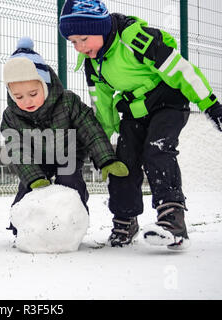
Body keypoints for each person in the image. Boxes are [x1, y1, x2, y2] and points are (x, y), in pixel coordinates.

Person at [59, 0, 222, 249]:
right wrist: (99, 145)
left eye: (83, 39)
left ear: (101, 28)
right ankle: (125, 220)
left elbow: (181, 70)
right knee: (122, 162)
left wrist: (211, 105)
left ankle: (172, 220)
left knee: (157, 151)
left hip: (168, 102)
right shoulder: (93, 64)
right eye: (73, 43)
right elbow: (102, 107)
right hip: (135, 111)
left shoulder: (134, 38)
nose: (79, 48)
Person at [0, 36, 129, 236]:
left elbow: (90, 129)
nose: (26, 101)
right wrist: (34, 179)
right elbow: (18, 151)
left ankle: (74, 222)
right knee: (30, 190)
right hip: (36, 160)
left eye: (33, 93)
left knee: (69, 181)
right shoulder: (11, 117)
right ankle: (23, 227)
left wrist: (106, 159)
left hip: (68, 155)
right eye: (18, 96)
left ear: (45, 84)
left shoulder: (68, 102)